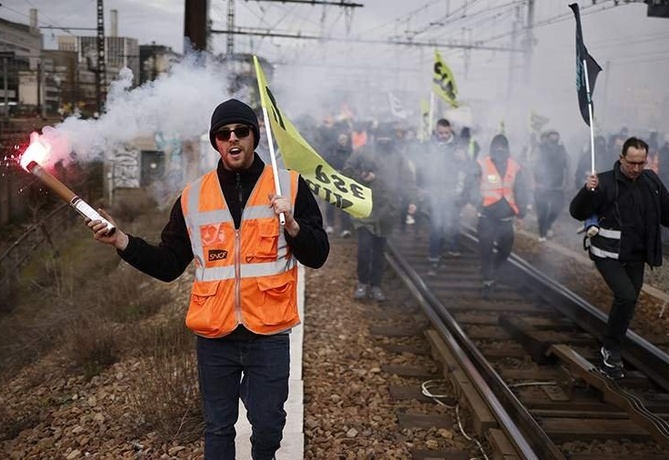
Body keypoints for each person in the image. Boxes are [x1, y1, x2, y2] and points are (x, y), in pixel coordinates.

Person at [86, 98, 329, 460]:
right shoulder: (193, 197)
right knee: (218, 428)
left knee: (267, 426)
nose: (233, 139)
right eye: (223, 133)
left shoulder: (289, 188)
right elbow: (168, 264)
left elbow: (319, 254)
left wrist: (293, 225)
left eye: (241, 131)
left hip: (269, 334)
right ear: (215, 141)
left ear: (254, 136)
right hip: (216, 338)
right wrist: (121, 240)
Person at [569, 137, 669, 380]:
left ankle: (614, 343)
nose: (636, 168)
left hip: (636, 254)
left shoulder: (651, 182)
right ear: (621, 158)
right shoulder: (604, 182)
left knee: (630, 301)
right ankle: (611, 350)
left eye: (641, 163)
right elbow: (577, 212)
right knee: (625, 296)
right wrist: (587, 191)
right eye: (632, 163)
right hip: (607, 253)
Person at [343, 122, 416, 301]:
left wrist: (412, 200)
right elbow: (346, 171)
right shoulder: (363, 151)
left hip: (386, 212)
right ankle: (362, 282)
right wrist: (362, 177)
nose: (384, 140)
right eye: (381, 137)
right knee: (364, 249)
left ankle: (375, 285)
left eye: (387, 137)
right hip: (364, 210)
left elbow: (407, 181)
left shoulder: (399, 157)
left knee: (379, 252)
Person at [468, 134, 529, 293]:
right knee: (486, 249)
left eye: (503, 147)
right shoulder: (481, 164)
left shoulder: (515, 167)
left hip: (506, 217)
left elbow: (521, 190)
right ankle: (488, 280)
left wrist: (521, 212)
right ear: (492, 148)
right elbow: (471, 187)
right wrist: (478, 202)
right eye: (497, 146)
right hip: (487, 216)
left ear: (507, 149)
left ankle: (491, 270)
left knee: (505, 250)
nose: (500, 150)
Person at [416, 118, 469, 275]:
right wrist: (420, 186)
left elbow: (469, 169)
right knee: (436, 224)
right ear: (436, 131)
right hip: (434, 190)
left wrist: (464, 159)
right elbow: (421, 167)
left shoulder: (458, 147)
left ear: (450, 130)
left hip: (451, 190)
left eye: (446, 133)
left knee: (451, 222)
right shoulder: (428, 146)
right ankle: (434, 258)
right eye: (441, 133)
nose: (443, 136)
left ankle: (450, 246)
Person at [533, 130, 569, 241]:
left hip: (557, 186)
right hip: (542, 185)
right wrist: (534, 182)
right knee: (542, 210)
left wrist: (567, 181)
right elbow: (533, 164)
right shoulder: (540, 149)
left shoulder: (561, 149)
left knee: (558, 208)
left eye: (556, 136)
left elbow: (567, 165)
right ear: (548, 137)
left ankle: (548, 224)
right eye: (552, 136)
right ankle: (542, 233)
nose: (554, 138)